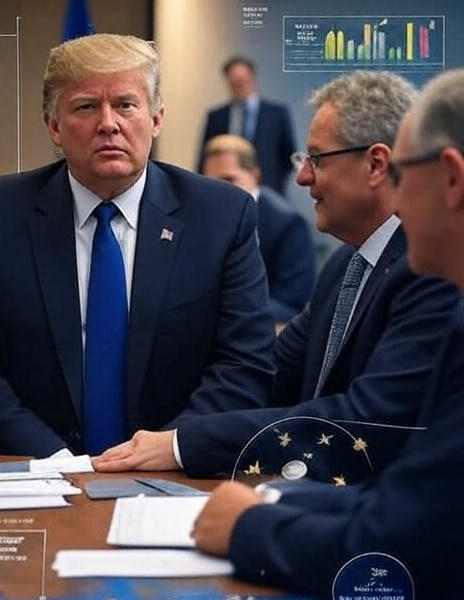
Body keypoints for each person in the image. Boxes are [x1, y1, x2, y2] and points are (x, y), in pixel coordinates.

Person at [192, 67, 464, 600]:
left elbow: (401, 545)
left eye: (404, 175)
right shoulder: (347, 264)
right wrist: (273, 496)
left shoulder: (439, 293)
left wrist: (249, 527)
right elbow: (410, 503)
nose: (398, 204)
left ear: (451, 178)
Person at [95, 71, 460, 479]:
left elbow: (366, 419)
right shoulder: (345, 266)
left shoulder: (431, 269)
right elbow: (267, 372)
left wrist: (183, 445)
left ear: (376, 164)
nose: (302, 178)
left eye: (316, 159)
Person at [0, 33, 275, 458]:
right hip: (35, 466)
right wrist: (53, 459)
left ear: (156, 118)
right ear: (54, 126)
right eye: (86, 107)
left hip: (176, 470)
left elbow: (245, 363)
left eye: (126, 105)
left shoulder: (222, 215)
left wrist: (171, 448)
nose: (108, 123)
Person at [202, 134, 315, 325]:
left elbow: (293, 303)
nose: (218, 191)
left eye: (229, 180)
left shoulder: (288, 224)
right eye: (210, 183)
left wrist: (224, 308)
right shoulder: (202, 217)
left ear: (255, 175)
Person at [197, 56, 296, 194]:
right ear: (227, 81)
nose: (240, 85)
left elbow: (289, 156)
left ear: (252, 79)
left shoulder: (276, 113)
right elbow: (206, 156)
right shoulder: (217, 116)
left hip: (268, 188)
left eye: (243, 81)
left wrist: (273, 181)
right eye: (235, 82)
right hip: (224, 190)